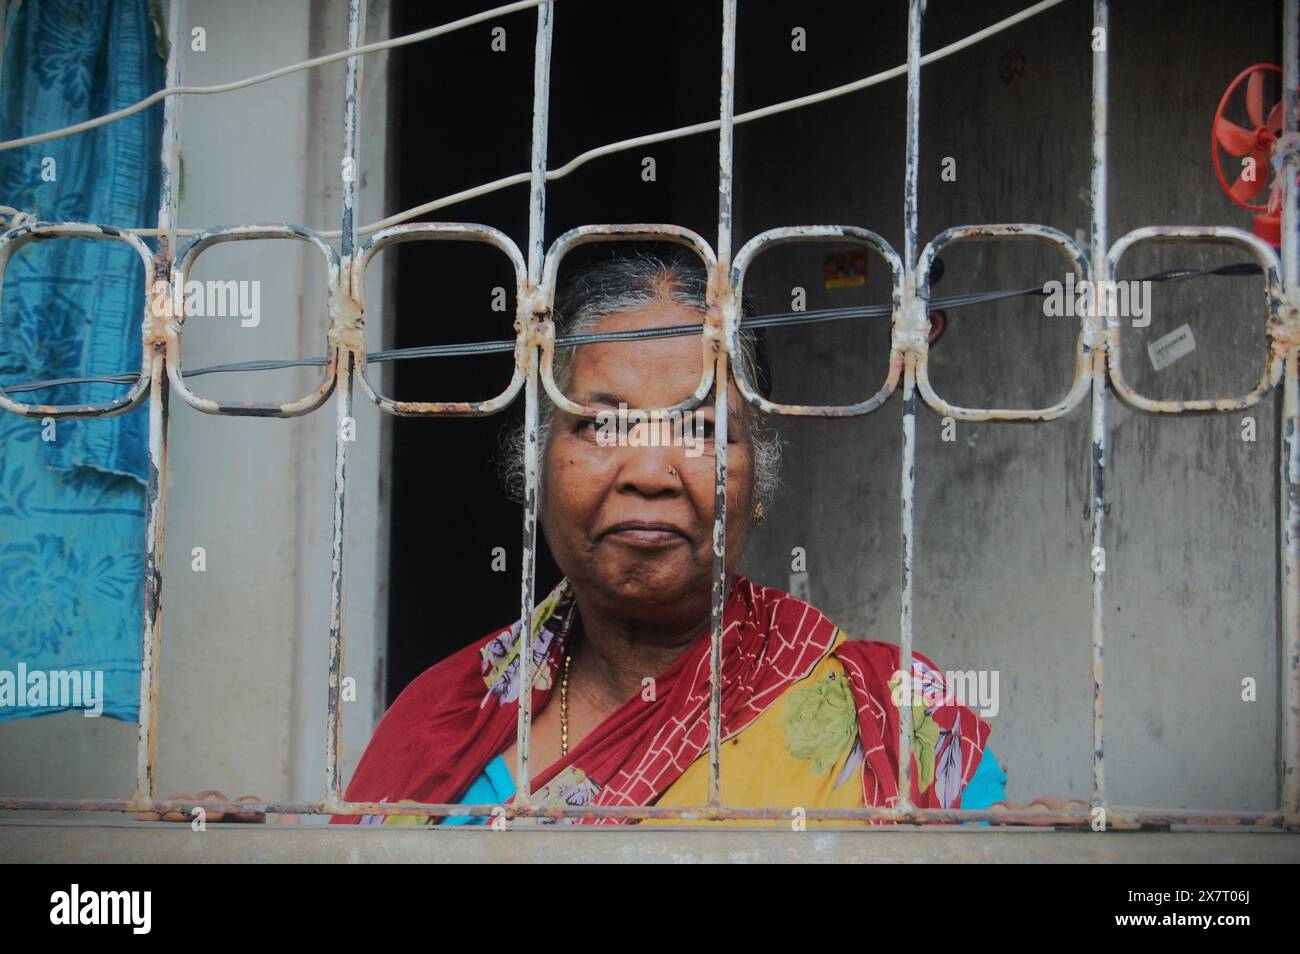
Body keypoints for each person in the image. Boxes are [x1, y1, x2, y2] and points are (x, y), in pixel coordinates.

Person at [333, 251, 1006, 826]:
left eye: (703, 429)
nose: (651, 472)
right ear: (536, 466)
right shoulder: (441, 719)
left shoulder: (888, 715)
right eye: (602, 424)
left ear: (759, 480)